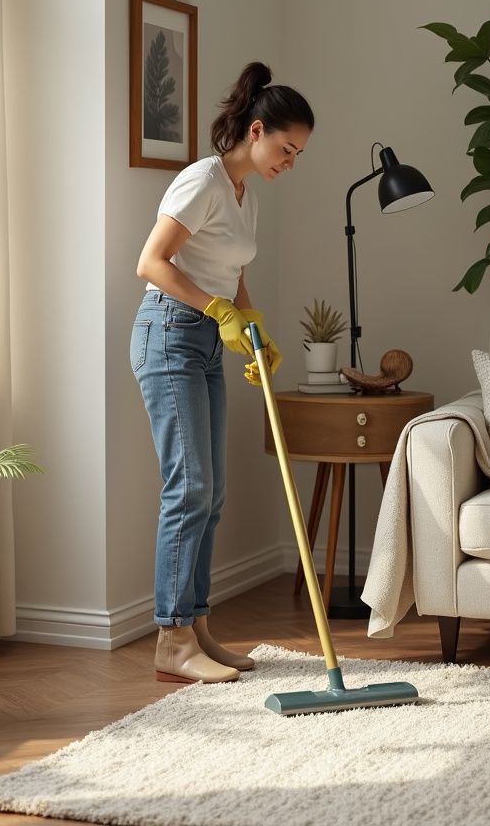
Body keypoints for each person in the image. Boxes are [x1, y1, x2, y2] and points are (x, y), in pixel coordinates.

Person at [131, 61, 315, 684]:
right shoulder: (203, 180)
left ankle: (198, 629)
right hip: (170, 335)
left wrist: (251, 322)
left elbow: (232, 270)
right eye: (286, 148)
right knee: (189, 489)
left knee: (211, 495)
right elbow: (151, 263)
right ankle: (171, 639)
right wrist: (215, 310)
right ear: (256, 130)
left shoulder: (244, 196)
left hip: (210, 340)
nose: (290, 162)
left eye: (297, 155)